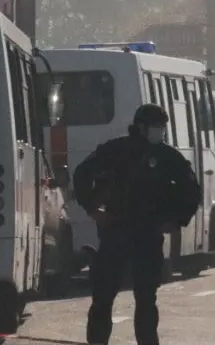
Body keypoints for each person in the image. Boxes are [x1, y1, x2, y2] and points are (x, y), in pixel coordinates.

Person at [73, 104, 202, 345]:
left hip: (148, 235)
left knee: (145, 300)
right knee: (103, 299)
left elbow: (191, 191)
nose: (159, 132)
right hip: (116, 233)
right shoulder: (115, 150)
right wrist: (93, 209)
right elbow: (82, 174)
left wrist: (176, 220)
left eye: (162, 127)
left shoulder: (167, 156)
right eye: (156, 127)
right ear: (141, 127)